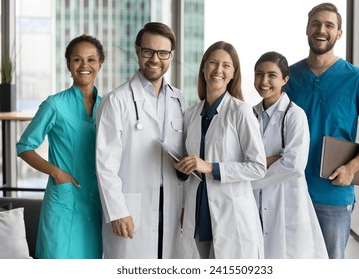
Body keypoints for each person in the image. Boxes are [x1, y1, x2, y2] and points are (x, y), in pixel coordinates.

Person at [285, 3, 359, 259]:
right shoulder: (289, 77)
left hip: (333, 194)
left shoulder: (357, 78)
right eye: (316, 24)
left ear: (339, 33)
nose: (321, 30)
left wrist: (352, 167)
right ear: (307, 29)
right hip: (290, 190)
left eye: (329, 25)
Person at [95, 22, 187, 259]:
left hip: (170, 206)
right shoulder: (116, 101)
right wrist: (117, 211)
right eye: (148, 51)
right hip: (130, 208)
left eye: (163, 53)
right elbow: (105, 165)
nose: (155, 59)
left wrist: (186, 202)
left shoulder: (179, 100)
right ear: (137, 51)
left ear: (171, 56)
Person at [16, 34, 105, 258]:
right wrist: (56, 172)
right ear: (68, 64)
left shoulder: (108, 107)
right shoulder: (54, 104)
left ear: (100, 64)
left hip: (96, 205)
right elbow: (24, 146)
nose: (84, 65)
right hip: (63, 203)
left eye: (91, 60)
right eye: (77, 59)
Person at [175, 41, 267, 259]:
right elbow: (190, 162)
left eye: (226, 65)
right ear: (204, 68)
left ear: (233, 73)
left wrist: (211, 167)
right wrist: (182, 167)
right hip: (198, 211)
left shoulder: (241, 112)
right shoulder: (190, 114)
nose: (218, 70)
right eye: (213, 63)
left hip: (232, 214)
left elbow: (258, 167)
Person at [251, 51, 328, 259]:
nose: (264, 81)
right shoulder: (250, 114)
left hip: (287, 203)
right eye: (259, 74)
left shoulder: (294, 115)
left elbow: (293, 165)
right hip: (255, 205)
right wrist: (271, 159)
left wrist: (250, 176)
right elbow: (242, 159)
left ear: (285, 79)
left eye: (271, 75)